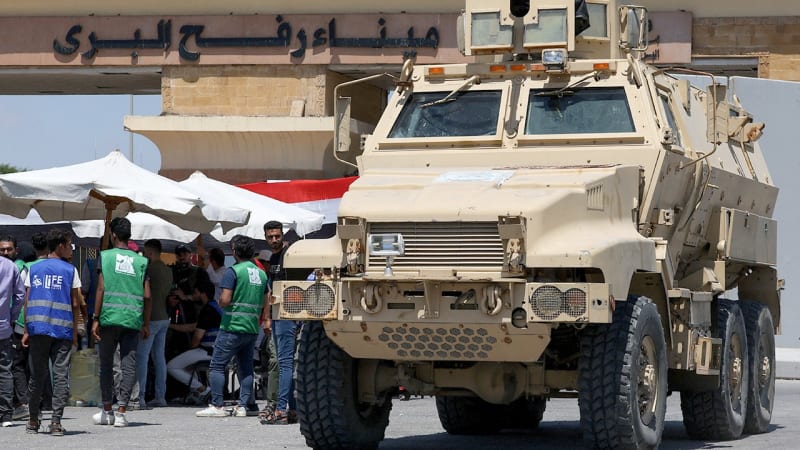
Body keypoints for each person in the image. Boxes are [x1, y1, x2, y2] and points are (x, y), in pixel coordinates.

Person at [196, 235, 268, 418]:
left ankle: (217, 405)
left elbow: (226, 299)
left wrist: (220, 301)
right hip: (251, 328)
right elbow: (267, 298)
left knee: (217, 365)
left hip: (232, 326)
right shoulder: (260, 273)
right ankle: (246, 406)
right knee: (246, 368)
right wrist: (265, 318)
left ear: (234, 252)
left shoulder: (233, 272)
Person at [21, 229, 82, 436]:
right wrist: (75, 331)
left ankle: (32, 420)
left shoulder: (35, 269)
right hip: (62, 329)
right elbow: (75, 303)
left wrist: (27, 330)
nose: (70, 248)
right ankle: (55, 422)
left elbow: (27, 301)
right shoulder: (70, 271)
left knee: (37, 377)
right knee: (60, 376)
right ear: (60, 245)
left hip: (37, 328)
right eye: (69, 244)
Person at [91, 217, 151, 427]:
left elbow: (101, 288)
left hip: (108, 318)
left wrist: (95, 318)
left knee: (106, 365)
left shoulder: (105, 257)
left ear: (113, 235)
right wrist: (146, 323)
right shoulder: (142, 261)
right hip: (132, 319)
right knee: (128, 365)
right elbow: (147, 296)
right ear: (129, 236)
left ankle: (107, 410)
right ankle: (122, 411)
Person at [11, 232, 50, 422]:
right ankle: (42, 403)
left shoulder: (25, 268)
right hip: (46, 322)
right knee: (38, 365)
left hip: (23, 323)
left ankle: (26, 403)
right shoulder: (53, 267)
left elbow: (22, 298)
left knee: (19, 364)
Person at [261, 220, 297, 425]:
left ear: (283, 235)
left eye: (277, 236)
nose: (274, 240)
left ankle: (281, 409)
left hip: (288, 314)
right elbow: (270, 291)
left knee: (284, 362)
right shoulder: (274, 257)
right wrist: (267, 317)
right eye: (270, 237)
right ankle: (292, 410)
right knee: (285, 362)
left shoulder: (290, 255)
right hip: (277, 315)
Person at [167, 278, 221, 404]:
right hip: (218, 350)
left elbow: (197, 337)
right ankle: (197, 392)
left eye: (196, 293)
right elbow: (193, 326)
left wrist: (190, 348)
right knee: (188, 365)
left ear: (203, 294)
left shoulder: (206, 310)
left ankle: (203, 389)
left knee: (172, 366)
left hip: (208, 351)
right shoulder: (216, 307)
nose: (194, 296)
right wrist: (170, 325)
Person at [135, 239, 173, 408]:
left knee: (142, 358)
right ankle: (161, 396)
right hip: (164, 317)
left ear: (150, 252)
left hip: (151, 318)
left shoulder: (147, 269)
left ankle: (140, 396)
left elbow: (145, 295)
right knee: (159, 358)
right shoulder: (168, 270)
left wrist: (145, 322)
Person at [0, 237, 24, 427]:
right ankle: (6, 414)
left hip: (4, 325)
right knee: (5, 370)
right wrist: (11, 317)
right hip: (4, 326)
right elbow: (20, 296)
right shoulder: (11, 268)